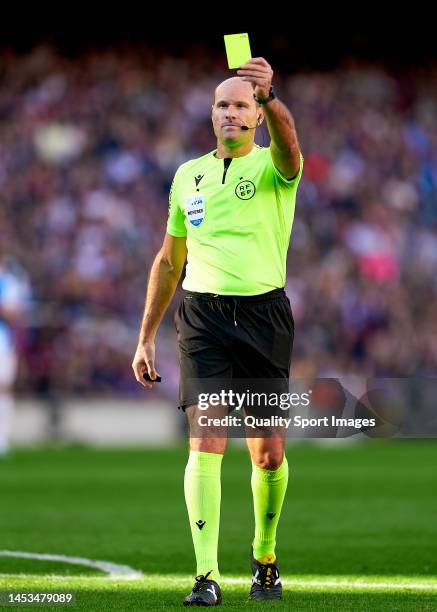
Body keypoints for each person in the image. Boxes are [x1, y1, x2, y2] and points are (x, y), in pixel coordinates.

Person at [132, 57, 303, 606]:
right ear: (212, 115)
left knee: (268, 454)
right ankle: (206, 576)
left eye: (241, 104)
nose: (231, 112)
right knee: (206, 440)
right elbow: (167, 261)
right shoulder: (188, 175)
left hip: (264, 317)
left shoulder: (275, 168)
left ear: (256, 116)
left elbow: (292, 150)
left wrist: (272, 95)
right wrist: (145, 337)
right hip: (202, 317)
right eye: (222, 104)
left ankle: (265, 557)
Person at [0, 253, 30, 456]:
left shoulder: (7, 281)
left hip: (2, 342)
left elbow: (14, 312)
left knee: (3, 389)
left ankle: (2, 438)